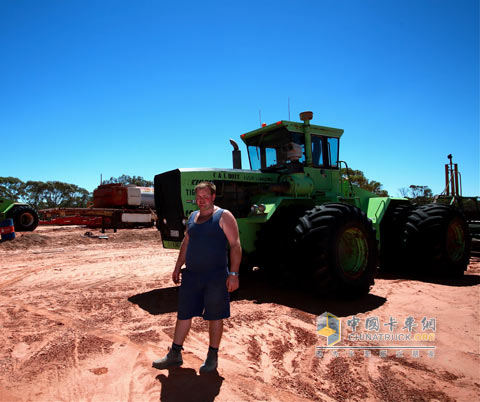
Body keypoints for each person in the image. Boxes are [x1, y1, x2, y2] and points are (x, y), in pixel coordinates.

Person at [153, 181, 241, 373]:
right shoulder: (193, 216)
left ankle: (212, 356)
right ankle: (175, 354)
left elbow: (235, 245)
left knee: (215, 316)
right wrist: (177, 267)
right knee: (184, 313)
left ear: (213, 197)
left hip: (216, 276)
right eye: (198, 197)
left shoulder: (223, 216)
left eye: (205, 196)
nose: (202, 200)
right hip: (192, 276)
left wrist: (233, 274)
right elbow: (186, 243)